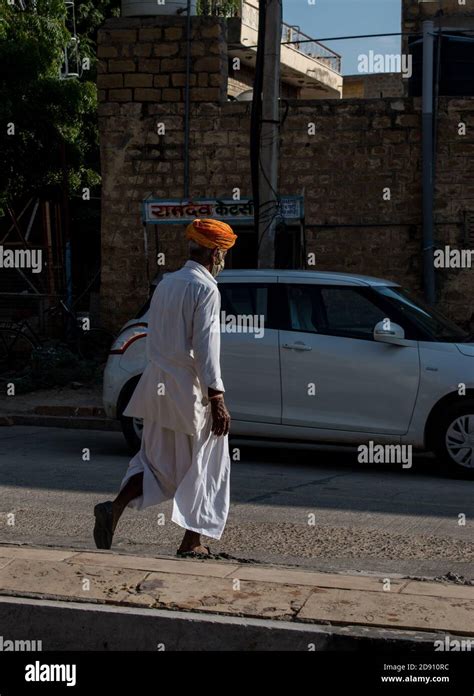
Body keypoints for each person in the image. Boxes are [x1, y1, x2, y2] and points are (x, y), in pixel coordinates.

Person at [93, 218, 237, 556]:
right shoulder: (206, 289)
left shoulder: (167, 283)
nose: (223, 262)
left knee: (156, 461)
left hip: (156, 387)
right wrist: (216, 397)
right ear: (215, 254)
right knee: (206, 462)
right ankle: (191, 541)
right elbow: (204, 347)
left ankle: (114, 508)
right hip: (189, 391)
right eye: (224, 255)